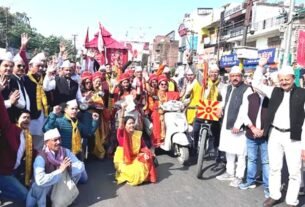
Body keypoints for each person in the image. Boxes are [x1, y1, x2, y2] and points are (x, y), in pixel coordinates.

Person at [252, 58, 305, 207]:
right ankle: (275, 195)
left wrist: (304, 146)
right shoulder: (275, 91)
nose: (284, 82)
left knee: (294, 171)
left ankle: (291, 200)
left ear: (293, 78)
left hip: (294, 138)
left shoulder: (303, 94)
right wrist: (260, 67)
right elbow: (256, 84)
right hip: (275, 134)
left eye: (287, 79)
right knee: (274, 167)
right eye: (281, 80)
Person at [26, 128, 85, 207]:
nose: (59, 142)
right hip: (43, 189)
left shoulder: (65, 151)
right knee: (35, 193)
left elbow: (80, 165)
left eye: (59, 139)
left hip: (57, 184)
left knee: (77, 173)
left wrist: (69, 168)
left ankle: (65, 196)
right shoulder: (40, 158)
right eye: (55, 140)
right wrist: (60, 170)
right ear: (46, 142)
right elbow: (40, 181)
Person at [216, 66, 252, 188]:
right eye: (232, 76)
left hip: (239, 127)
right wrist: (219, 107)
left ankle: (239, 176)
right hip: (227, 123)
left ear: (241, 77)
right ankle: (230, 172)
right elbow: (224, 102)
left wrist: (238, 124)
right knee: (228, 149)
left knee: (240, 152)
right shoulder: (228, 88)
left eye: (237, 76)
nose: (234, 78)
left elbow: (245, 108)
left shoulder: (247, 89)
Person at [0, 90, 35, 204]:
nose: (27, 120)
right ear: (16, 119)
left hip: (14, 171)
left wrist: (44, 155)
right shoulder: (10, 130)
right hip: (3, 172)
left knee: (30, 193)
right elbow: (3, 115)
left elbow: (32, 152)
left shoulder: (27, 135)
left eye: (29, 118)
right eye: (24, 117)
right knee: (26, 197)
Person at [113, 103, 157, 186]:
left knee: (145, 162)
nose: (132, 125)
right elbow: (120, 124)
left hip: (135, 156)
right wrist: (122, 110)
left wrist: (147, 153)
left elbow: (143, 146)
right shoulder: (121, 135)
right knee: (134, 175)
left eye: (133, 123)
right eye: (129, 123)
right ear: (125, 125)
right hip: (124, 158)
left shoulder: (137, 134)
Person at [239, 90, 270, 199]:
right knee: (252, 159)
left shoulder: (270, 97)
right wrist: (253, 128)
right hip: (251, 134)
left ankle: (268, 187)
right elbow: (244, 114)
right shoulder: (250, 97)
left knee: (266, 162)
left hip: (265, 135)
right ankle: (250, 181)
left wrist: (263, 131)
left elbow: (273, 116)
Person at [192, 64, 225, 165]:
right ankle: (194, 150)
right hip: (203, 109)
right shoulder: (204, 82)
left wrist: (221, 108)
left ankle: (217, 153)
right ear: (208, 73)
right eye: (211, 72)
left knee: (217, 133)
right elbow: (197, 72)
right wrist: (189, 62)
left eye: (216, 72)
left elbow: (225, 99)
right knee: (195, 129)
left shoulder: (223, 86)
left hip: (215, 111)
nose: (213, 74)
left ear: (218, 74)